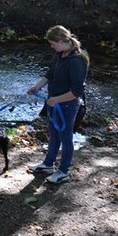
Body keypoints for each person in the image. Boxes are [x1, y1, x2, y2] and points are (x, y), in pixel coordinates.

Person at [26, 25, 89, 184]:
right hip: (54, 102)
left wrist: (57, 100)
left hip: (67, 106)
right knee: (53, 134)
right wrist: (37, 87)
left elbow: (76, 91)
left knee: (66, 137)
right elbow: (49, 75)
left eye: (52, 43)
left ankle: (63, 171)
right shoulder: (60, 55)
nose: (51, 46)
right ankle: (48, 164)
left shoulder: (77, 61)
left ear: (61, 41)